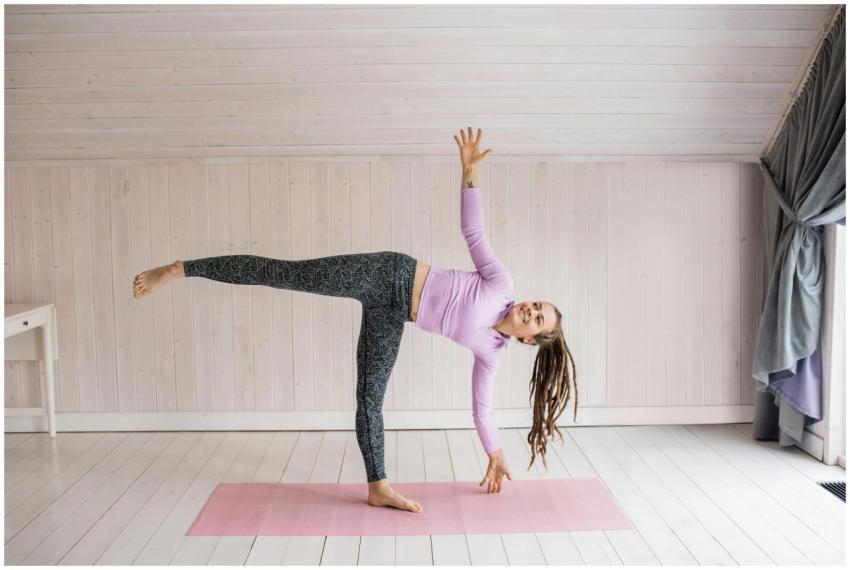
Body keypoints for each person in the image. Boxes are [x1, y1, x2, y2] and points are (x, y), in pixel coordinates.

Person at [132, 127, 578, 514]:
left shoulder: (491, 352)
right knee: (283, 273)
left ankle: (378, 487)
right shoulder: (501, 284)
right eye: (535, 304)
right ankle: (181, 268)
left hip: (394, 314)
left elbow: (483, 407)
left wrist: (495, 452)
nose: (530, 309)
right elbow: (473, 232)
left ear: (530, 339)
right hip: (389, 272)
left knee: (369, 398)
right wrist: (469, 172)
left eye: (536, 317)